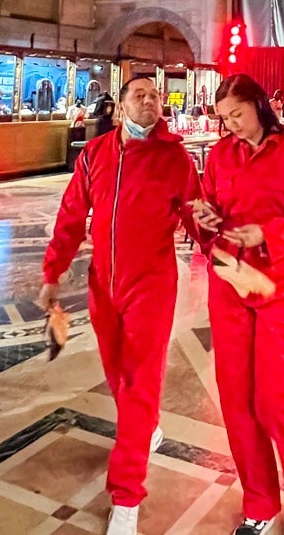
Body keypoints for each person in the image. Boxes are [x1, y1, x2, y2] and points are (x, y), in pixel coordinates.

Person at [38, 76, 197, 535]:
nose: (150, 101)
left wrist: (228, 252)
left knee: (141, 382)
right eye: (139, 95)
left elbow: (196, 211)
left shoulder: (174, 157)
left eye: (155, 96)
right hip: (103, 286)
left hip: (152, 284)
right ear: (122, 104)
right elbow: (71, 216)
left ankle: (126, 496)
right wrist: (53, 272)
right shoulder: (96, 154)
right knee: (119, 377)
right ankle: (143, 431)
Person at [192, 74, 284, 535]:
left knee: (277, 398)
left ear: (259, 105)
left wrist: (267, 232)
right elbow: (209, 212)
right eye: (225, 118)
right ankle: (258, 501)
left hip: (277, 286)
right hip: (229, 284)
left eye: (238, 114)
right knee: (236, 400)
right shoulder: (220, 154)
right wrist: (206, 218)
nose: (231, 126)